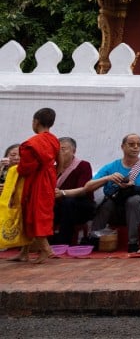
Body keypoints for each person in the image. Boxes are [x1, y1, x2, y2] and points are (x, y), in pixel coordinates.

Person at [64, 133, 140, 253]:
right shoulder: (112, 167)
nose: (135, 147)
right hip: (114, 211)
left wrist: (135, 188)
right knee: (108, 202)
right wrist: (108, 178)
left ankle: (133, 242)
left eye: (139, 145)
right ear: (122, 146)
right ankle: (94, 238)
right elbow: (88, 187)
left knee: (133, 200)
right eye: (131, 144)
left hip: (137, 212)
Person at [12, 108, 60, 262]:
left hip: (35, 182)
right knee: (33, 212)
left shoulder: (31, 144)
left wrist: (15, 169)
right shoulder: (54, 140)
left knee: (34, 214)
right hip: (48, 179)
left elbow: (25, 168)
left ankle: (46, 249)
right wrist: (53, 175)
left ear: (36, 122)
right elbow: (61, 162)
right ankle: (24, 252)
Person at [50, 137, 94, 246]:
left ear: (73, 151)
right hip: (59, 205)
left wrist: (63, 193)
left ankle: (63, 241)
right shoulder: (52, 168)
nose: (59, 153)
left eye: (63, 149)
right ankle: (43, 239)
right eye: (57, 150)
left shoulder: (83, 165)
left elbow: (84, 189)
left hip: (81, 206)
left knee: (68, 202)